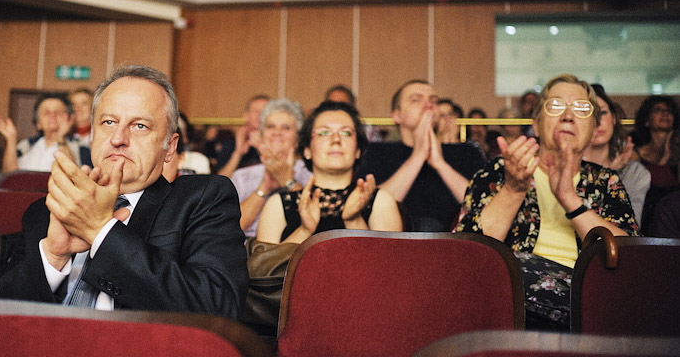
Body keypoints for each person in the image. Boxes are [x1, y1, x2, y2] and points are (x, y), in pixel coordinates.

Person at [0, 65, 248, 319]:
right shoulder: (47, 211)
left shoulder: (202, 199)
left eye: (139, 126)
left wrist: (101, 231)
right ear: (92, 135)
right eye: (109, 122)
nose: (118, 138)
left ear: (169, 147)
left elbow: (217, 306)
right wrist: (52, 257)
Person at [456, 74, 638, 329]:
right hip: (512, 309)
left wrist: (570, 200)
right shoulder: (501, 170)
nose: (567, 115)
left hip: (589, 298)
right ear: (537, 125)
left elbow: (630, 259)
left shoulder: (605, 181)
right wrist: (514, 188)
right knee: (502, 271)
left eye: (582, 108)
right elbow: (465, 253)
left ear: (593, 131)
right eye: (555, 106)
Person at [256, 101, 402, 244]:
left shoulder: (380, 201)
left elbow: (390, 266)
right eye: (324, 132)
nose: (336, 139)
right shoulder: (279, 204)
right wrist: (304, 230)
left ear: (357, 150)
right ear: (307, 150)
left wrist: (354, 222)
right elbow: (265, 267)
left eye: (346, 133)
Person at [357, 80, 484, 231]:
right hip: (395, 242)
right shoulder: (376, 152)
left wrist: (440, 164)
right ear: (397, 116)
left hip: (455, 242)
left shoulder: (466, 152)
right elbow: (373, 205)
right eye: (416, 100)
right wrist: (417, 157)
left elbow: (482, 205)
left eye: (433, 101)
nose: (428, 105)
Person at [229, 98, 311, 238]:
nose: (277, 132)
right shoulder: (242, 176)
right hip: (245, 252)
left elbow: (314, 222)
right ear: (261, 134)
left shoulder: (310, 174)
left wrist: (288, 181)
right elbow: (229, 228)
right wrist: (264, 188)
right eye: (270, 127)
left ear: (298, 137)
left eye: (286, 127)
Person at [582, 84, 649, 222]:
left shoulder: (635, 173)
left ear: (613, 118)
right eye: (588, 113)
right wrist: (608, 172)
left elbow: (629, 229)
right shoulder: (564, 169)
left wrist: (611, 175)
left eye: (603, 113)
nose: (597, 121)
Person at [0, 93, 87, 173]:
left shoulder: (81, 146)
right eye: (46, 113)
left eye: (57, 112)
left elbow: (74, 177)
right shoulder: (25, 146)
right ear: (38, 123)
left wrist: (60, 138)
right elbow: (9, 178)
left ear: (69, 119)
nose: (52, 116)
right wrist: (11, 140)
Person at [629, 95, 680, 232]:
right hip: (645, 220)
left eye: (669, 111)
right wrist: (664, 158)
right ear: (646, 121)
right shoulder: (635, 154)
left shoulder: (677, 154)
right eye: (658, 110)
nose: (665, 113)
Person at [217, 94, 270, 178]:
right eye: (256, 111)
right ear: (246, 116)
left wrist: (262, 148)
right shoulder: (232, 144)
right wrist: (238, 153)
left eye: (266, 111)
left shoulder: (279, 143)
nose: (261, 115)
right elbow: (221, 181)